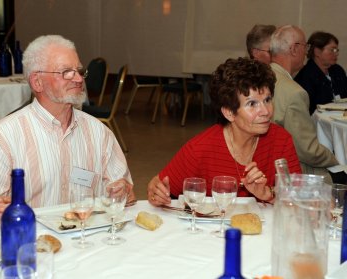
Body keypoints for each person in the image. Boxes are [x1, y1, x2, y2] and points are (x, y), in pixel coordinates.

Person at [0, 35, 135, 208]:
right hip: (29, 234)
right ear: (37, 82)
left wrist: (122, 191)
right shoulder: (4, 137)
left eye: (79, 71)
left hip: (87, 231)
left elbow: (126, 196)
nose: (78, 79)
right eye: (66, 72)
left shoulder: (98, 132)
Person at [147, 57, 301, 206]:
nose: (266, 111)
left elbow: (299, 200)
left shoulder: (281, 140)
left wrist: (268, 194)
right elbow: (160, 186)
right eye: (252, 104)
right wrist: (157, 191)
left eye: (267, 100)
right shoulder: (200, 149)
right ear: (229, 113)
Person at [270, 25, 339, 183]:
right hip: (289, 173)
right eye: (305, 46)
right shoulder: (294, 92)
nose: (307, 52)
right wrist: (336, 158)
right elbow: (308, 151)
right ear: (294, 49)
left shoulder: (262, 76)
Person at [295, 31, 347, 114]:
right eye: (332, 50)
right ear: (317, 52)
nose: (336, 53)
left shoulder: (338, 71)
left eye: (337, 50)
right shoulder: (305, 77)